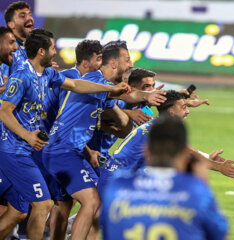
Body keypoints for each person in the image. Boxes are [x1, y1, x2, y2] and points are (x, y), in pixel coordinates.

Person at [0, 28, 130, 240]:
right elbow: (4, 112)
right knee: (43, 205)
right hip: (13, 151)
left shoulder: (49, 74)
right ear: (42, 51)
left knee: (21, 210)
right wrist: (27, 135)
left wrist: (110, 90)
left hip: (30, 151)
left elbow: (77, 84)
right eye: (52, 47)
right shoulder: (21, 77)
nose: (56, 51)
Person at [41, 39, 165, 239]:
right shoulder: (95, 80)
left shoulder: (106, 87)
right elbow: (125, 102)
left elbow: (128, 97)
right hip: (63, 151)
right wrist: (141, 97)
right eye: (127, 59)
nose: (130, 64)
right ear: (114, 63)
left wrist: (147, 97)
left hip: (71, 152)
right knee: (91, 201)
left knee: (88, 202)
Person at [100, 114, 229, 240]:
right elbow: (219, 234)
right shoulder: (194, 192)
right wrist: (203, 184)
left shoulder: (117, 188)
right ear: (185, 154)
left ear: (146, 151)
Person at [97, 90, 234, 197]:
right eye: (183, 108)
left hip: (124, 177)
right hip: (117, 178)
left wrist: (207, 157)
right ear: (171, 111)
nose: (187, 112)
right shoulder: (160, 128)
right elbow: (186, 151)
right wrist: (218, 167)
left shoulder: (158, 125)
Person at [0, 26, 30, 239]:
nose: (15, 47)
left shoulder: (6, 70)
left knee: (19, 209)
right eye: (11, 42)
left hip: (5, 151)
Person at [3, 1, 34, 77]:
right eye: (23, 16)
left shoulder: (34, 48)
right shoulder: (6, 50)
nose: (29, 18)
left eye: (30, 15)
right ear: (11, 24)